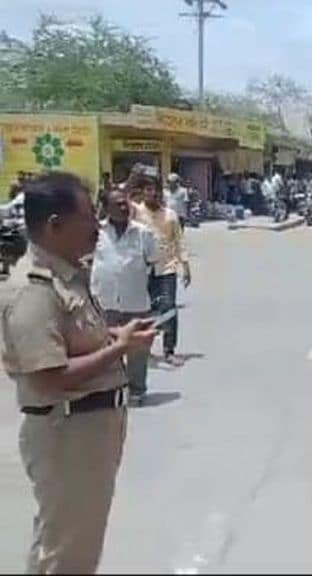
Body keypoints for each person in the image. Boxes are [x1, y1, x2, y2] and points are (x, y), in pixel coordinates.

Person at [0, 172, 156, 573]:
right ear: (55, 225)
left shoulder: (67, 275)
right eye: (89, 217)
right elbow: (49, 378)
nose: (98, 226)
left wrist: (117, 335)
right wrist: (120, 350)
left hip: (88, 429)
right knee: (68, 553)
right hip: (68, 434)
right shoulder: (34, 290)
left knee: (68, 544)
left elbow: (78, 338)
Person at [90, 187, 159, 404]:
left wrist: (158, 300)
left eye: (125, 202)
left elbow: (155, 265)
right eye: (117, 204)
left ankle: (137, 390)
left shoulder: (143, 233)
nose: (123, 207)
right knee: (108, 351)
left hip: (136, 302)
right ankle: (113, 389)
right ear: (105, 208)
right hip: (105, 302)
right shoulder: (95, 233)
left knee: (138, 351)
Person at [133, 172, 191, 367]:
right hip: (143, 270)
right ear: (142, 193)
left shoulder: (170, 215)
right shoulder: (136, 213)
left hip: (167, 268)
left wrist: (185, 265)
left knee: (169, 309)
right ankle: (145, 349)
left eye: (157, 190)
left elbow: (179, 240)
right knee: (145, 311)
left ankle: (169, 350)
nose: (154, 194)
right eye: (149, 190)